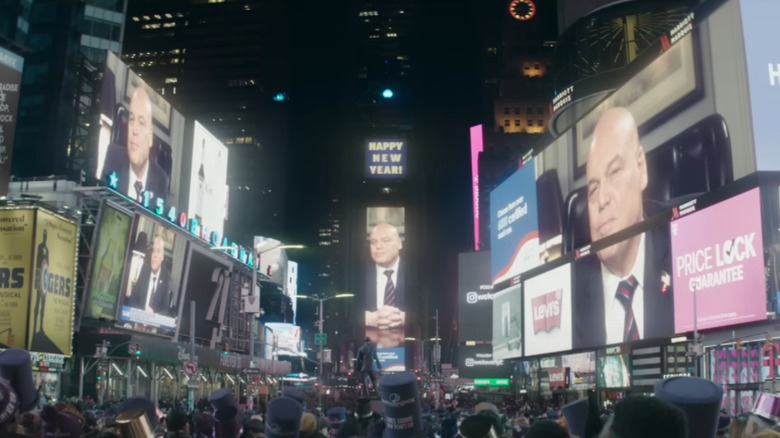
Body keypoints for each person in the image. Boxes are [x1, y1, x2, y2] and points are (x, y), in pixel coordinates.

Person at [573, 107, 674, 348]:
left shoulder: (688, 251)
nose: (602, 199)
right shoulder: (569, 295)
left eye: (614, 172)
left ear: (641, 168)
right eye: (593, 189)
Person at [102, 86, 169, 202]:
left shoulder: (161, 180)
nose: (134, 130)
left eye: (142, 123)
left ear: (150, 137)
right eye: (131, 119)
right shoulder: (113, 156)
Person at [365, 222, 405, 330]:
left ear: (399, 244)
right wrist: (366, 318)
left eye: (385, 240)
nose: (378, 246)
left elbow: (430, 312)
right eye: (373, 242)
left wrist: (405, 318)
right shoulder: (358, 273)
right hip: (368, 342)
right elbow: (341, 312)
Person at [127, 234, 173, 315]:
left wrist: (152, 316)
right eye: (153, 251)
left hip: (153, 325)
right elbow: (132, 300)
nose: (154, 255)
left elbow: (165, 310)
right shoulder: (144, 270)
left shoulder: (165, 276)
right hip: (138, 320)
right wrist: (142, 314)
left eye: (158, 251)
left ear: (162, 257)